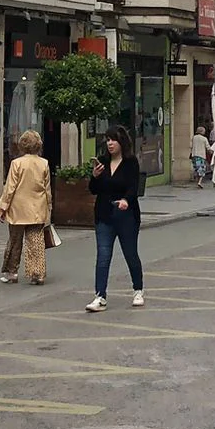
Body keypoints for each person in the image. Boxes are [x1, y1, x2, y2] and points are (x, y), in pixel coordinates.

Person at [87, 125, 146, 312]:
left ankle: (138, 290)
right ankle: (100, 296)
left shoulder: (130, 162)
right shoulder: (103, 162)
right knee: (103, 256)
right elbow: (94, 190)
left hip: (126, 216)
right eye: (108, 139)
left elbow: (133, 187)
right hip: (104, 214)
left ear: (122, 142)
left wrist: (126, 200)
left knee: (130, 253)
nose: (110, 143)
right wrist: (94, 176)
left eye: (113, 139)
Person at [0, 130, 53, 284]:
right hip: (37, 208)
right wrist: (49, 207)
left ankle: (12, 272)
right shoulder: (44, 163)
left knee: (14, 241)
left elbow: (10, 188)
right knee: (36, 242)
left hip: (18, 209)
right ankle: (37, 274)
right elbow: (47, 189)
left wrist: (3, 208)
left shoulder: (16, 163)